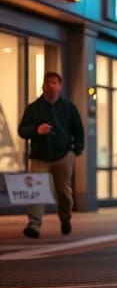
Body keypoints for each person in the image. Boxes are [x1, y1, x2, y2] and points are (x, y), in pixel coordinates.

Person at [16, 72, 84, 238]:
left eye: (55, 82)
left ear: (60, 86)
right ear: (43, 86)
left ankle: (65, 218)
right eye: (48, 83)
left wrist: (74, 152)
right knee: (36, 191)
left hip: (63, 156)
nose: (51, 85)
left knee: (63, 192)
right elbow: (21, 130)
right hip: (39, 157)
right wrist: (36, 130)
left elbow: (79, 131)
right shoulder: (33, 108)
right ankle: (33, 225)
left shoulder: (69, 107)